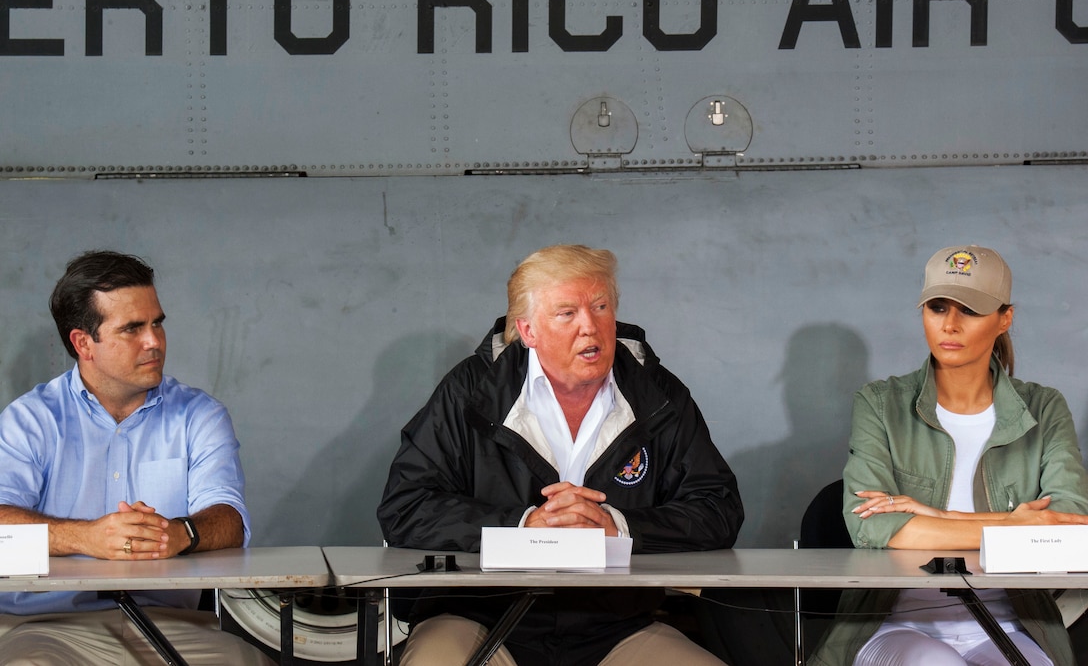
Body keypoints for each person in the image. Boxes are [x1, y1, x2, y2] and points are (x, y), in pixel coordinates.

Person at [377, 244, 743, 666]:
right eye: (567, 313)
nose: (590, 326)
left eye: (601, 306)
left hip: (614, 622)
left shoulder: (657, 393)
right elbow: (406, 505)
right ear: (528, 331)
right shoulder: (471, 390)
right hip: (478, 614)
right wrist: (523, 525)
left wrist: (620, 527)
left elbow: (718, 507)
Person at [810, 245, 1088, 666]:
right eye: (938, 307)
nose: (950, 325)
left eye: (970, 310)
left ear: (1004, 319)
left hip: (1012, 625)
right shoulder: (880, 403)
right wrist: (1015, 525)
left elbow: (1065, 530)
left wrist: (937, 518)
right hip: (895, 627)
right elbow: (874, 527)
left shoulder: (1044, 408)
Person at [0, 251, 272, 665]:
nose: (154, 342)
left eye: (157, 323)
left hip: (170, 625)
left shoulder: (200, 415)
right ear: (83, 343)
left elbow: (229, 521)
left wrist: (179, 533)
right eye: (132, 328)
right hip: (45, 628)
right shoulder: (30, 420)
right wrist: (88, 537)